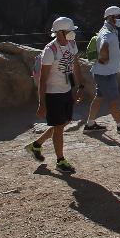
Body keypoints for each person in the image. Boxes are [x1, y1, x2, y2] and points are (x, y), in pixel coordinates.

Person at [26, 17, 86, 173]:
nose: (73, 33)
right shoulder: (50, 51)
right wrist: (42, 103)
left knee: (63, 122)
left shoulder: (71, 45)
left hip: (66, 91)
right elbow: (44, 80)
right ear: (60, 32)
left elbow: (75, 65)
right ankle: (60, 161)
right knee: (59, 127)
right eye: (70, 31)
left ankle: (36, 145)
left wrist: (80, 86)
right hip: (53, 94)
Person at [83, 6, 120, 134]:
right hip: (106, 73)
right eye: (118, 17)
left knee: (99, 97)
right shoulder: (107, 33)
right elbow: (104, 44)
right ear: (110, 18)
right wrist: (104, 57)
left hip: (103, 72)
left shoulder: (110, 29)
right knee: (114, 100)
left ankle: (90, 124)